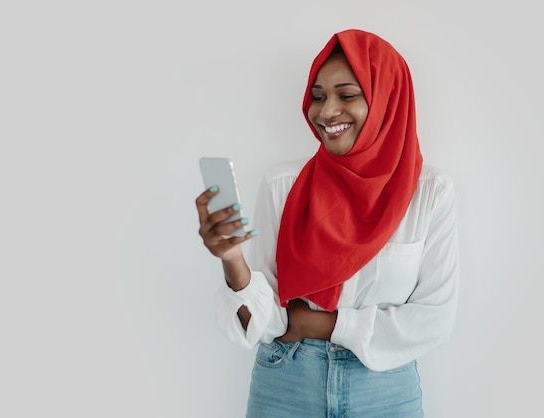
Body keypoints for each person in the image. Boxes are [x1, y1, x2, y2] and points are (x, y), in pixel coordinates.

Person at [195, 28, 459, 418]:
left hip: (385, 391)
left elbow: (433, 319)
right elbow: (267, 324)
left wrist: (320, 324)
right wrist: (232, 260)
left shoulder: (430, 193)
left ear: (388, 99)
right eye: (318, 96)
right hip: (285, 381)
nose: (325, 111)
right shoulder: (284, 185)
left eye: (347, 95)